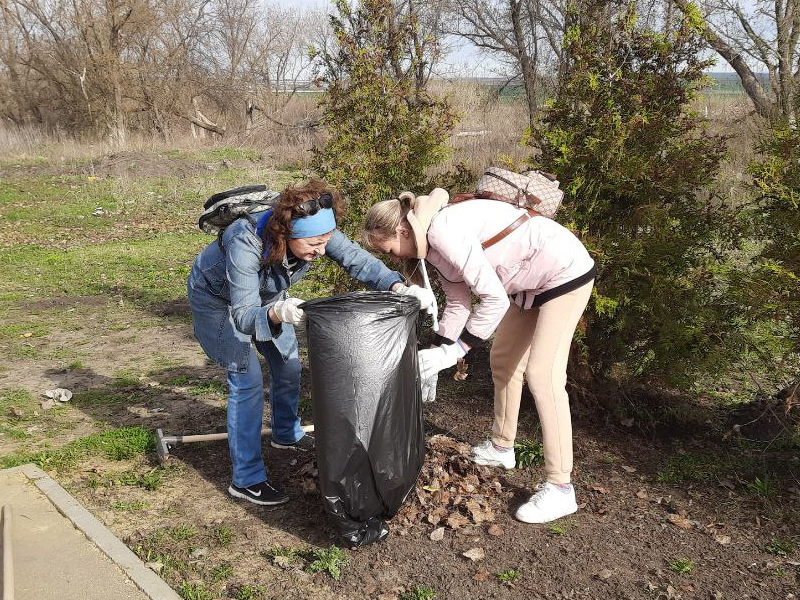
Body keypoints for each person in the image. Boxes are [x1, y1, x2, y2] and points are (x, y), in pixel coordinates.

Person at [187, 180, 435, 506]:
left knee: (288, 366)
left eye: (326, 241)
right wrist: (277, 311)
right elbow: (245, 315)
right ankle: (246, 479)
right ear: (284, 235)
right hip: (220, 302)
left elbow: (357, 260)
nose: (321, 251)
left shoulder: (318, 228)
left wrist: (398, 286)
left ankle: (286, 435)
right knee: (245, 380)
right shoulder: (244, 239)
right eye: (313, 244)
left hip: (269, 295)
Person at [363, 185, 595, 524]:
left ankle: (560, 487)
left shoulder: (442, 229)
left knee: (543, 376)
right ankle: (502, 447)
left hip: (563, 272)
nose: (393, 258)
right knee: (503, 361)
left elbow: (495, 300)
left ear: (401, 231)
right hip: (527, 282)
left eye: (389, 249)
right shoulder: (429, 248)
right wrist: (438, 353)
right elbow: (458, 304)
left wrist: (458, 350)